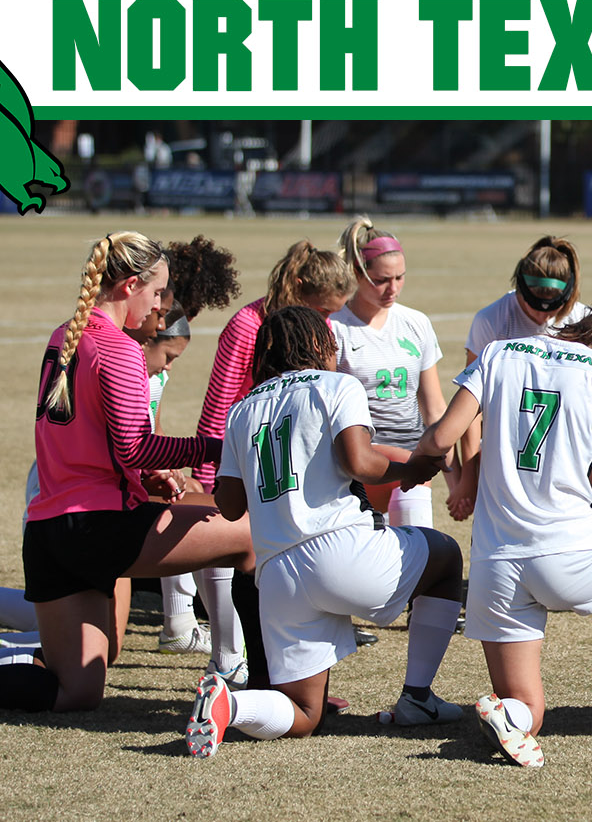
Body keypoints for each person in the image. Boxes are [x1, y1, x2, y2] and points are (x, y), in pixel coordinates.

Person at [0, 232, 253, 723]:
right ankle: (269, 689)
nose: (162, 305)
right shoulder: (119, 348)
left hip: (48, 531)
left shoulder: (64, 336)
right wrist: (214, 446)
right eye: (158, 292)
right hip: (99, 528)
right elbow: (136, 446)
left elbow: (104, 444)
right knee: (251, 534)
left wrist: (147, 475)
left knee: (77, 690)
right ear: (129, 286)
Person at [184, 306, 466, 758]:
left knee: (302, 713)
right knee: (446, 557)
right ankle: (417, 698)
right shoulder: (337, 384)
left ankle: (228, 706)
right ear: (319, 345)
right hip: (340, 551)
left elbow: (231, 505)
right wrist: (409, 467)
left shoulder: (242, 410)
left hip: (276, 574)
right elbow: (359, 462)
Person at [402, 310, 592, 767]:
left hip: (496, 564)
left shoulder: (499, 351)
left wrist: (420, 460)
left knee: (530, 706)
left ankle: (509, 713)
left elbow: (444, 436)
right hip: (573, 559)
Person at [195, 240, 358, 691]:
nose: (327, 324)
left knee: (269, 568)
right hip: (239, 464)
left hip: (280, 470)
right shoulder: (250, 325)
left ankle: (282, 680)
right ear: (301, 288)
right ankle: (227, 662)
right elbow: (221, 401)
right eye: (323, 311)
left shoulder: (307, 335)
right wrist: (209, 470)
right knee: (238, 557)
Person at [452, 236, 592, 520]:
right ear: (519, 286)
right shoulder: (492, 320)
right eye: (532, 305)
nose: (542, 315)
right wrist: (468, 478)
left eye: (552, 306)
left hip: (560, 454)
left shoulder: (583, 323)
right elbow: (471, 409)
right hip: (503, 451)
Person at [329, 217, 448, 530]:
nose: (392, 288)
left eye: (400, 277)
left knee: (417, 549)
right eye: (381, 280)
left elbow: (433, 406)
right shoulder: (335, 327)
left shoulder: (416, 323)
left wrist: (453, 471)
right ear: (357, 272)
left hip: (412, 456)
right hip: (358, 457)